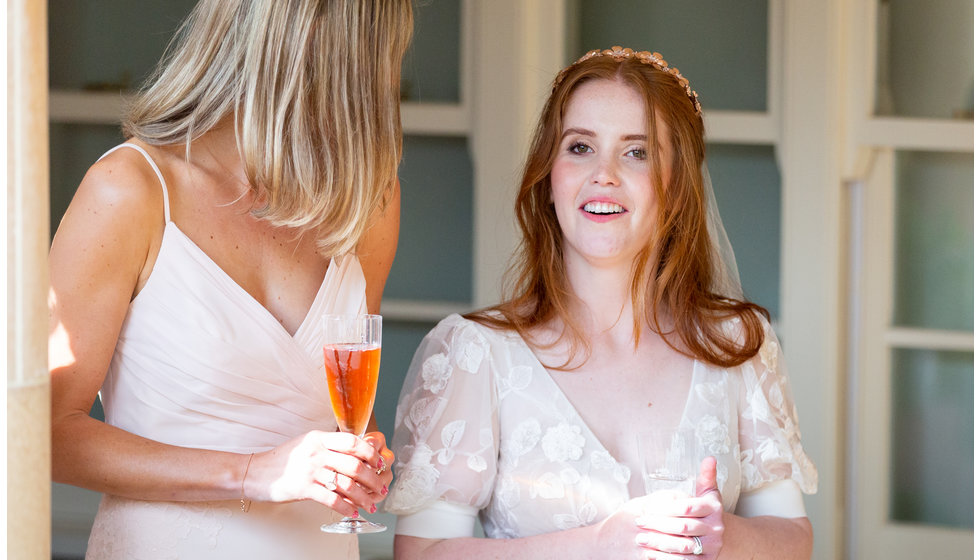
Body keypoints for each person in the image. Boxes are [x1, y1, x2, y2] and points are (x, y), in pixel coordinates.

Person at [385, 46, 818, 559]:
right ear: (549, 177)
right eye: (580, 147)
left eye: (637, 152)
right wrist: (598, 545)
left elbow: (793, 540)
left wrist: (725, 534)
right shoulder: (475, 354)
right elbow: (422, 553)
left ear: (677, 186)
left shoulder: (739, 345)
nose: (604, 174)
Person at [48, 1, 412, 558]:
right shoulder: (131, 190)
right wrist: (254, 474)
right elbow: (43, 434)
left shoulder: (368, 201)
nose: (383, 84)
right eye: (375, 55)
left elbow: (340, 401)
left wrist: (356, 458)